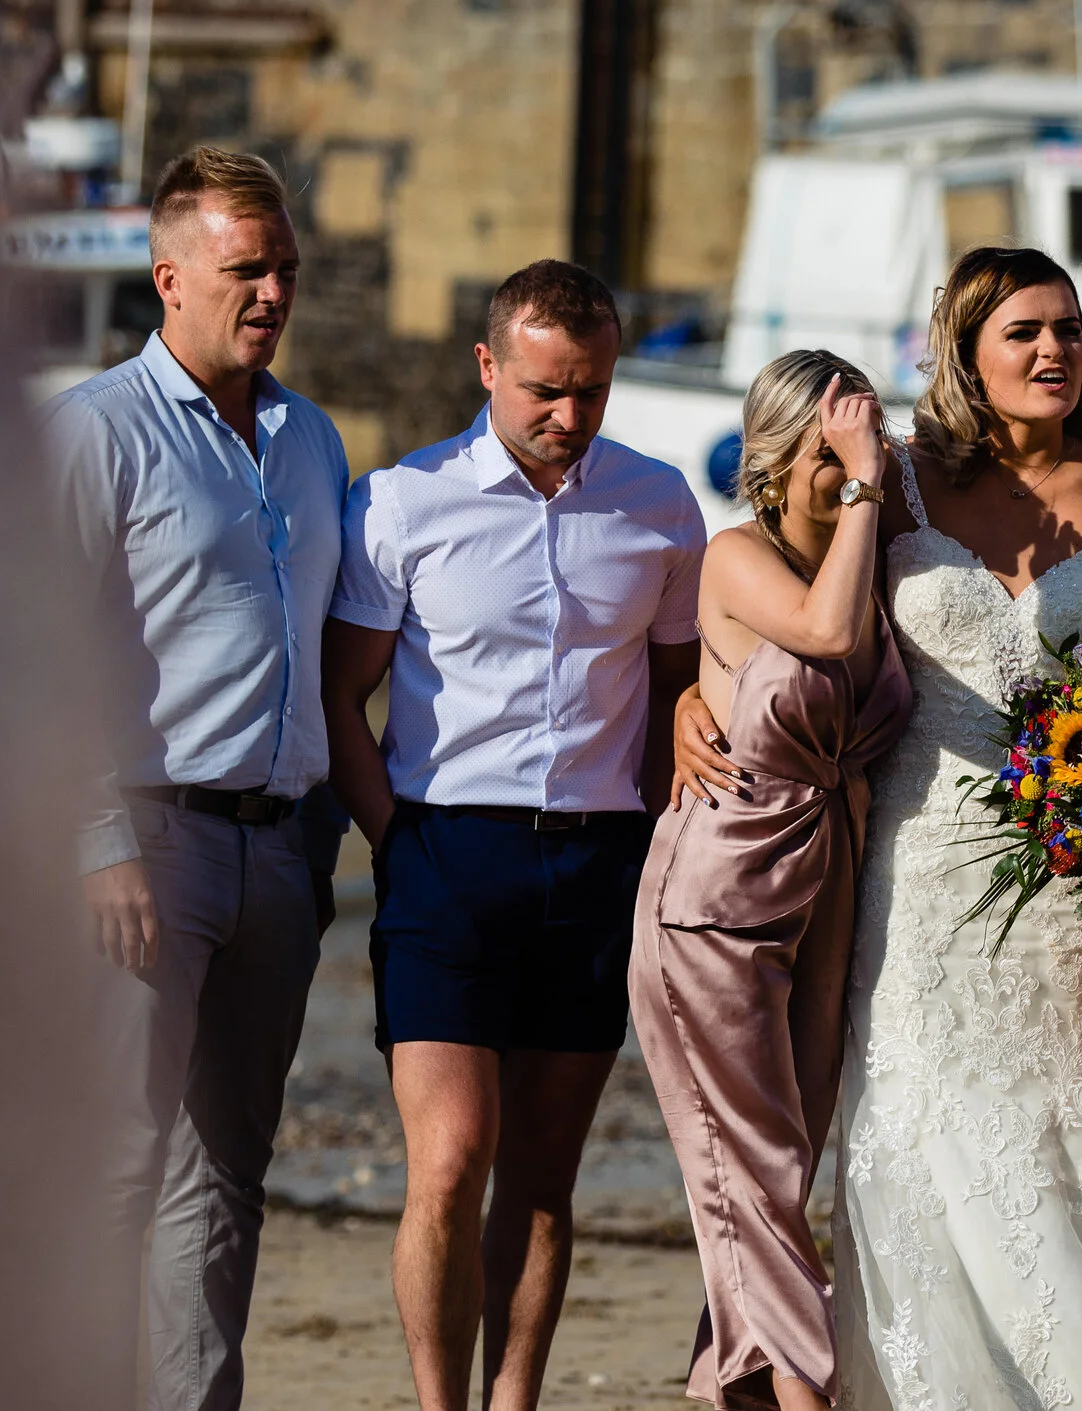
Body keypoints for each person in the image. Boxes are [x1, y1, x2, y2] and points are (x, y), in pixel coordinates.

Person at [679, 246, 1082, 1408]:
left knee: (1073, 1122)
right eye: (1024, 331)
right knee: (924, 1122)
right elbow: (778, 584)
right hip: (916, 861)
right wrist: (703, 687)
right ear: (965, 353)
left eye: (1070, 331)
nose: (1053, 352)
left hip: (1077, 872)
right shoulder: (898, 484)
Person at [321, 260, 705, 1411]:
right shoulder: (399, 501)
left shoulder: (659, 505)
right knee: (448, 1159)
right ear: (488, 365)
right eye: (543, 387)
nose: (568, 415)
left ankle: (514, 1400)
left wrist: (647, 847)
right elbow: (345, 698)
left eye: (590, 389)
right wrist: (394, 839)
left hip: (597, 860)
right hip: (442, 852)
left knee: (543, 1175)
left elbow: (677, 697)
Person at [41, 145, 349, 1411]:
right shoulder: (96, 430)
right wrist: (96, 841)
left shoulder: (311, 437)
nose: (271, 290)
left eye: (283, 266)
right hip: (146, 839)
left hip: (281, 848)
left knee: (227, 1169)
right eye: (245, 268)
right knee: (113, 1162)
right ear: (171, 277)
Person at [629, 352, 911, 1411]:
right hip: (719, 896)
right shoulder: (737, 555)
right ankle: (806, 1396)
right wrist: (867, 482)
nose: (847, 466)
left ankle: (734, 1383)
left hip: (830, 878)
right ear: (777, 453)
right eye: (826, 449)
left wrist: (868, 492)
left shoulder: (865, 548)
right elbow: (828, 635)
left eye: (860, 441)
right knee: (746, 1162)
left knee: (779, 1158)